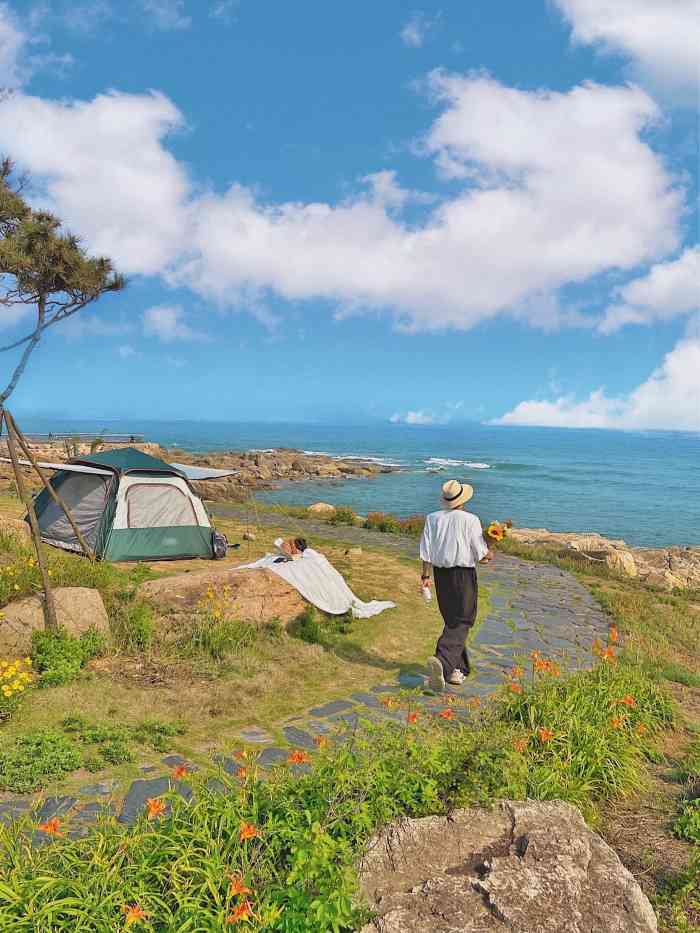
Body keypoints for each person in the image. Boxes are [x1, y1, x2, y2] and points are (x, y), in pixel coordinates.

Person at [419, 479, 492, 690]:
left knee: (452, 620)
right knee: (464, 620)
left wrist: (425, 577)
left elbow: (426, 552)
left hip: (441, 575)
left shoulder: (432, 518)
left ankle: (457, 671)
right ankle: (442, 661)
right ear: (463, 499)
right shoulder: (471, 520)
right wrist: (489, 553)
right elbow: (481, 555)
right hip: (462, 575)